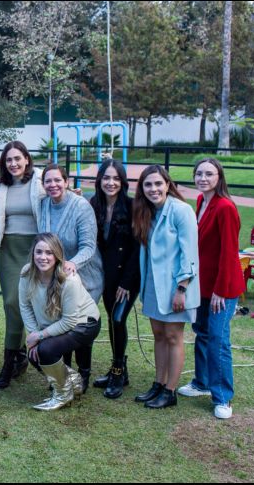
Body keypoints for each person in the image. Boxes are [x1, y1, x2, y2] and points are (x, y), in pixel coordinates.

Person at [178, 158, 245, 420]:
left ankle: (223, 397)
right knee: (202, 333)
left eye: (209, 174)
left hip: (222, 287)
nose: (203, 178)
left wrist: (220, 290)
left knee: (218, 339)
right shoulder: (200, 202)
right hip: (202, 286)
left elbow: (230, 252)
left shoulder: (225, 207)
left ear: (219, 177)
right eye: (199, 173)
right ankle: (202, 382)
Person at [133, 165, 200, 409]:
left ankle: (170, 391)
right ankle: (158, 384)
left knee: (173, 336)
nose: (153, 189)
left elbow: (189, 252)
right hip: (152, 285)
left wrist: (182, 288)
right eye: (148, 184)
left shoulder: (181, 211)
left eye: (158, 183)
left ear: (168, 184)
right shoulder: (146, 212)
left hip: (176, 286)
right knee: (159, 336)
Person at [39, 163, 104, 391]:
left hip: (85, 277)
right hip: (56, 278)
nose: (53, 185)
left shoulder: (81, 207)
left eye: (58, 180)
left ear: (66, 181)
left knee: (79, 327)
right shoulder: (43, 205)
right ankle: (64, 373)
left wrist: (72, 264)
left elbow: (88, 246)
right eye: (48, 181)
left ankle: (83, 374)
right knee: (60, 324)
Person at [21, 233, 101, 411]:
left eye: (49, 253)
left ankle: (63, 395)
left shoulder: (69, 280)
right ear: (33, 254)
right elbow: (25, 306)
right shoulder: (26, 273)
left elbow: (70, 321)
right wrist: (33, 336)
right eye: (39, 252)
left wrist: (40, 336)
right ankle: (73, 381)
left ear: (57, 255)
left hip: (83, 324)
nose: (43, 257)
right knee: (35, 355)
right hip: (56, 324)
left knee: (45, 350)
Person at [0, 141, 46, 389]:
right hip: (8, 250)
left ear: (27, 158)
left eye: (17, 158)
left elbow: (60, 193)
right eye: (8, 160)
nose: (13, 164)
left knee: (38, 303)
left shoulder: (41, 180)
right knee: (13, 303)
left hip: (36, 250)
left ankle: (31, 356)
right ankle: (9, 361)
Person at [89, 160, 140, 399]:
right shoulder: (94, 204)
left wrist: (127, 283)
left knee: (118, 319)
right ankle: (118, 370)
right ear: (99, 180)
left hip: (126, 277)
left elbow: (137, 248)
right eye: (106, 178)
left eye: (116, 179)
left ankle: (119, 370)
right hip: (104, 275)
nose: (111, 183)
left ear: (123, 182)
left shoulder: (132, 207)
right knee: (111, 318)